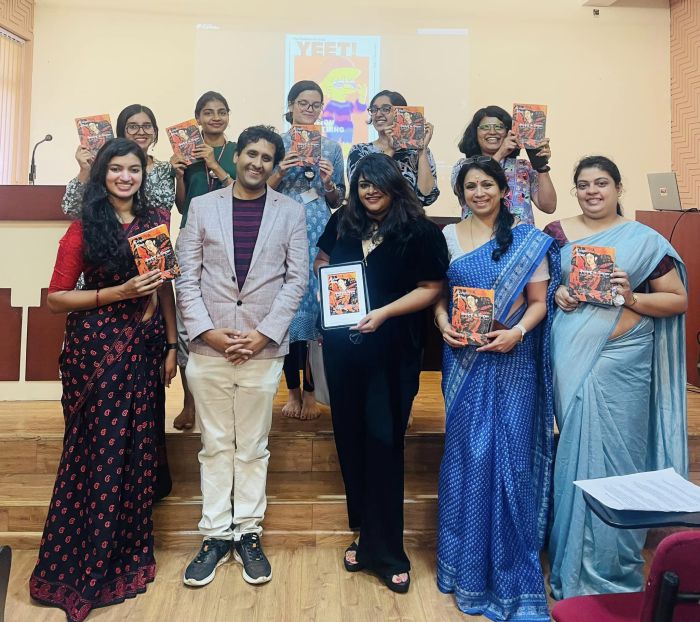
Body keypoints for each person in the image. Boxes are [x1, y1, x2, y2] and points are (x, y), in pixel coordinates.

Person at [30, 138, 177, 622]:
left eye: (133, 169)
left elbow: (165, 288)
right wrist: (117, 293)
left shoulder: (155, 221)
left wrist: (173, 345)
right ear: (102, 175)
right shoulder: (84, 227)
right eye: (116, 169)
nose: (125, 177)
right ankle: (82, 560)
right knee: (98, 452)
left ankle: (126, 557)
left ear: (143, 173)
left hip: (146, 348)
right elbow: (55, 299)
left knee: (136, 450)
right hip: (95, 354)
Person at [544, 155, 688, 599]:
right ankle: (571, 556)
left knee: (619, 457)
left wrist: (632, 298)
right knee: (576, 447)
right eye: (583, 184)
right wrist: (561, 292)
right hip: (572, 354)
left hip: (626, 360)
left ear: (619, 188)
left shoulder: (644, 241)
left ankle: (611, 560)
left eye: (601, 183)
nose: (592, 191)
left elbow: (677, 301)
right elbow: (541, 287)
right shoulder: (557, 235)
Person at [176, 125, 308, 588]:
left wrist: (263, 335)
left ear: (275, 165)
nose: (257, 163)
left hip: (263, 350)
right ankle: (214, 535)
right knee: (215, 444)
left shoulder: (290, 212)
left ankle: (248, 532)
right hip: (208, 347)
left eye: (266, 157)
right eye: (250, 154)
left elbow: (297, 280)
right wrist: (208, 333)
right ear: (236, 157)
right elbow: (186, 277)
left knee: (251, 447)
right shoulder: (201, 206)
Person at [315, 153, 448, 593]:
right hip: (343, 351)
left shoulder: (421, 231)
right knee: (350, 443)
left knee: (384, 444)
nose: (370, 191)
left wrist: (382, 313)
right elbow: (322, 260)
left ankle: (389, 550)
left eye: (378, 183)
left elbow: (431, 289)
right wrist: (333, 288)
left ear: (395, 185)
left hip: (392, 353)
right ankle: (365, 537)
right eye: (363, 184)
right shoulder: (343, 222)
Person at [433, 157, 558, 620]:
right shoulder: (448, 237)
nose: (479, 192)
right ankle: (462, 566)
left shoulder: (527, 240)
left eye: (487, 184)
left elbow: (539, 302)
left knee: (509, 458)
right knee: (468, 456)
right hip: (464, 360)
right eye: (471, 185)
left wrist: (516, 334)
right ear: (460, 192)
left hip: (512, 360)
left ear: (505, 190)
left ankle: (506, 566)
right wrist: (443, 321)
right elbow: (441, 295)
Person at [268, 80, 345, 420]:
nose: (309, 109)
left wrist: (328, 183)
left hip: (318, 232)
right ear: (291, 104)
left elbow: (337, 200)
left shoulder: (332, 148)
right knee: (285, 311)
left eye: (315, 104)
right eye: (303, 103)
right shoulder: (275, 144)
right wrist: (280, 170)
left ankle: (312, 392)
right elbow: (260, 189)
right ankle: (292, 391)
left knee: (317, 316)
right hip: (281, 231)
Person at [170, 91, 238, 431]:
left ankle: (225, 399)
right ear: (196, 117)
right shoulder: (185, 153)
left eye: (221, 112)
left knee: (226, 311)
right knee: (187, 319)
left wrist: (214, 165)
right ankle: (190, 400)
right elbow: (182, 207)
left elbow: (245, 194)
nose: (215, 117)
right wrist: (180, 175)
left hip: (230, 239)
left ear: (228, 116)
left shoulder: (239, 151)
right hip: (190, 237)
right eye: (208, 112)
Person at [62, 104, 175, 216]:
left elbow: (164, 210)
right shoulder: (106, 167)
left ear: (154, 131)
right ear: (121, 131)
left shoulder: (164, 168)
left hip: (152, 233)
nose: (141, 132)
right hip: (108, 230)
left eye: (147, 126)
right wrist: (85, 170)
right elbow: (71, 208)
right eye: (132, 126)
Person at [452, 105, 556, 223]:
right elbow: (461, 190)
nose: (492, 132)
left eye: (499, 127)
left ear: (509, 132)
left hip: (521, 239)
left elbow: (549, 207)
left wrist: (541, 165)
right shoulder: (463, 166)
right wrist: (500, 153)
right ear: (475, 133)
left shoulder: (524, 166)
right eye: (485, 127)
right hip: (478, 238)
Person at [347, 90, 439, 207]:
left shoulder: (418, 152)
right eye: (374, 109)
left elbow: (427, 196)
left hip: (409, 221)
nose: (378, 114)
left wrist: (422, 149)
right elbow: (360, 191)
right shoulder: (359, 151)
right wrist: (391, 149)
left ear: (402, 114)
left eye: (386, 109)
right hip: (371, 222)